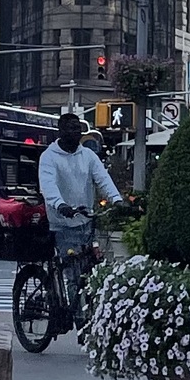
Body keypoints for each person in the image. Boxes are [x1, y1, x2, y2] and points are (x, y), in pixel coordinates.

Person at [37, 110, 121, 291]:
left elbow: (103, 179)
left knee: (93, 271)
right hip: (62, 224)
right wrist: (60, 205)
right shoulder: (49, 157)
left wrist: (117, 200)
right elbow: (48, 185)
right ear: (60, 131)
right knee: (74, 275)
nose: (75, 133)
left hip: (86, 221)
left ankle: (87, 310)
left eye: (78, 129)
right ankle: (76, 317)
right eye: (70, 129)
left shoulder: (88, 156)